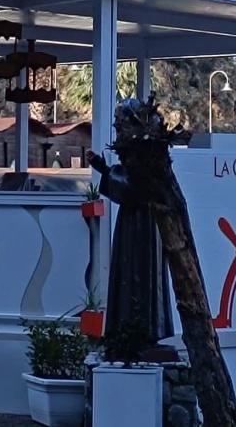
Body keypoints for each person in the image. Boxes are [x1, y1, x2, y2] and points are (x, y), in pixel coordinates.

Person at [87, 146, 173, 348]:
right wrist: (106, 171)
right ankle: (130, 330)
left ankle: (142, 331)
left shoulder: (150, 165)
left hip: (143, 224)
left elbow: (132, 188)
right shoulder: (145, 165)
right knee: (130, 273)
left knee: (142, 274)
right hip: (135, 222)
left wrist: (105, 170)